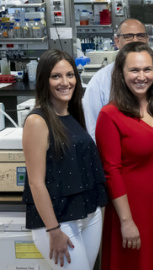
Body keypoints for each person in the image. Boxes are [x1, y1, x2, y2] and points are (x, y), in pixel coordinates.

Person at [95, 42, 153, 269]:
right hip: (131, 211)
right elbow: (111, 171)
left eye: (147, 69)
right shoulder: (110, 115)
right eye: (134, 70)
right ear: (121, 74)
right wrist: (126, 222)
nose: (141, 76)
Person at [22, 49, 108, 270]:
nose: (65, 82)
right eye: (56, 76)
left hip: (88, 214)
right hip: (60, 221)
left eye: (70, 75)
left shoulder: (72, 114)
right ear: (44, 81)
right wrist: (53, 230)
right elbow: (35, 183)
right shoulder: (37, 121)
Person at [83, 18, 153, 140]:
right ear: (117, 41)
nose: (135, 40)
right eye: (128, 36)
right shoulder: (99, 82)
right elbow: (94, 131)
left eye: (140, 36)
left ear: (147, 40)